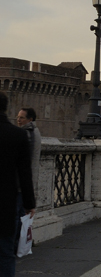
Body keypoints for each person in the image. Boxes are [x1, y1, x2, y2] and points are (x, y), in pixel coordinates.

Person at [0, 92, 35, 277]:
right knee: (6, 254)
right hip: (5, 204)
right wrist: (30, 204)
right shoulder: (18, 135)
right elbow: (25, 173)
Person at [14, 107, 41, 252]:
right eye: (18, 117)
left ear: (30, 120)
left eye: (22, 118)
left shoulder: (27, 133)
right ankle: (19, 247)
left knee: (18, 219)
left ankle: (15, 247)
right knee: (22, 219)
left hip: (20, 184)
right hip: (27, 183)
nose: (18, 120)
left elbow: (23, 161)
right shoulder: (35, 132)